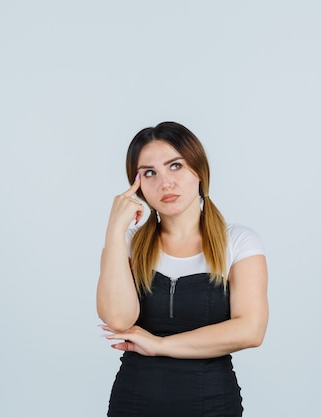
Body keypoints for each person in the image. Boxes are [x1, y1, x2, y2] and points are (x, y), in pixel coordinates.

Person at [96, 121, 268, 417]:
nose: (165, 183)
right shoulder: (128, 243)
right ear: (136, 185)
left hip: (212, 405)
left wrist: (160, 345)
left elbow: (250, 330)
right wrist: (114, 231)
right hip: (133, 403)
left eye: (175, 166)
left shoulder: (238, 242)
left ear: (198, 170)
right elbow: (119, 319)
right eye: (149, 173)